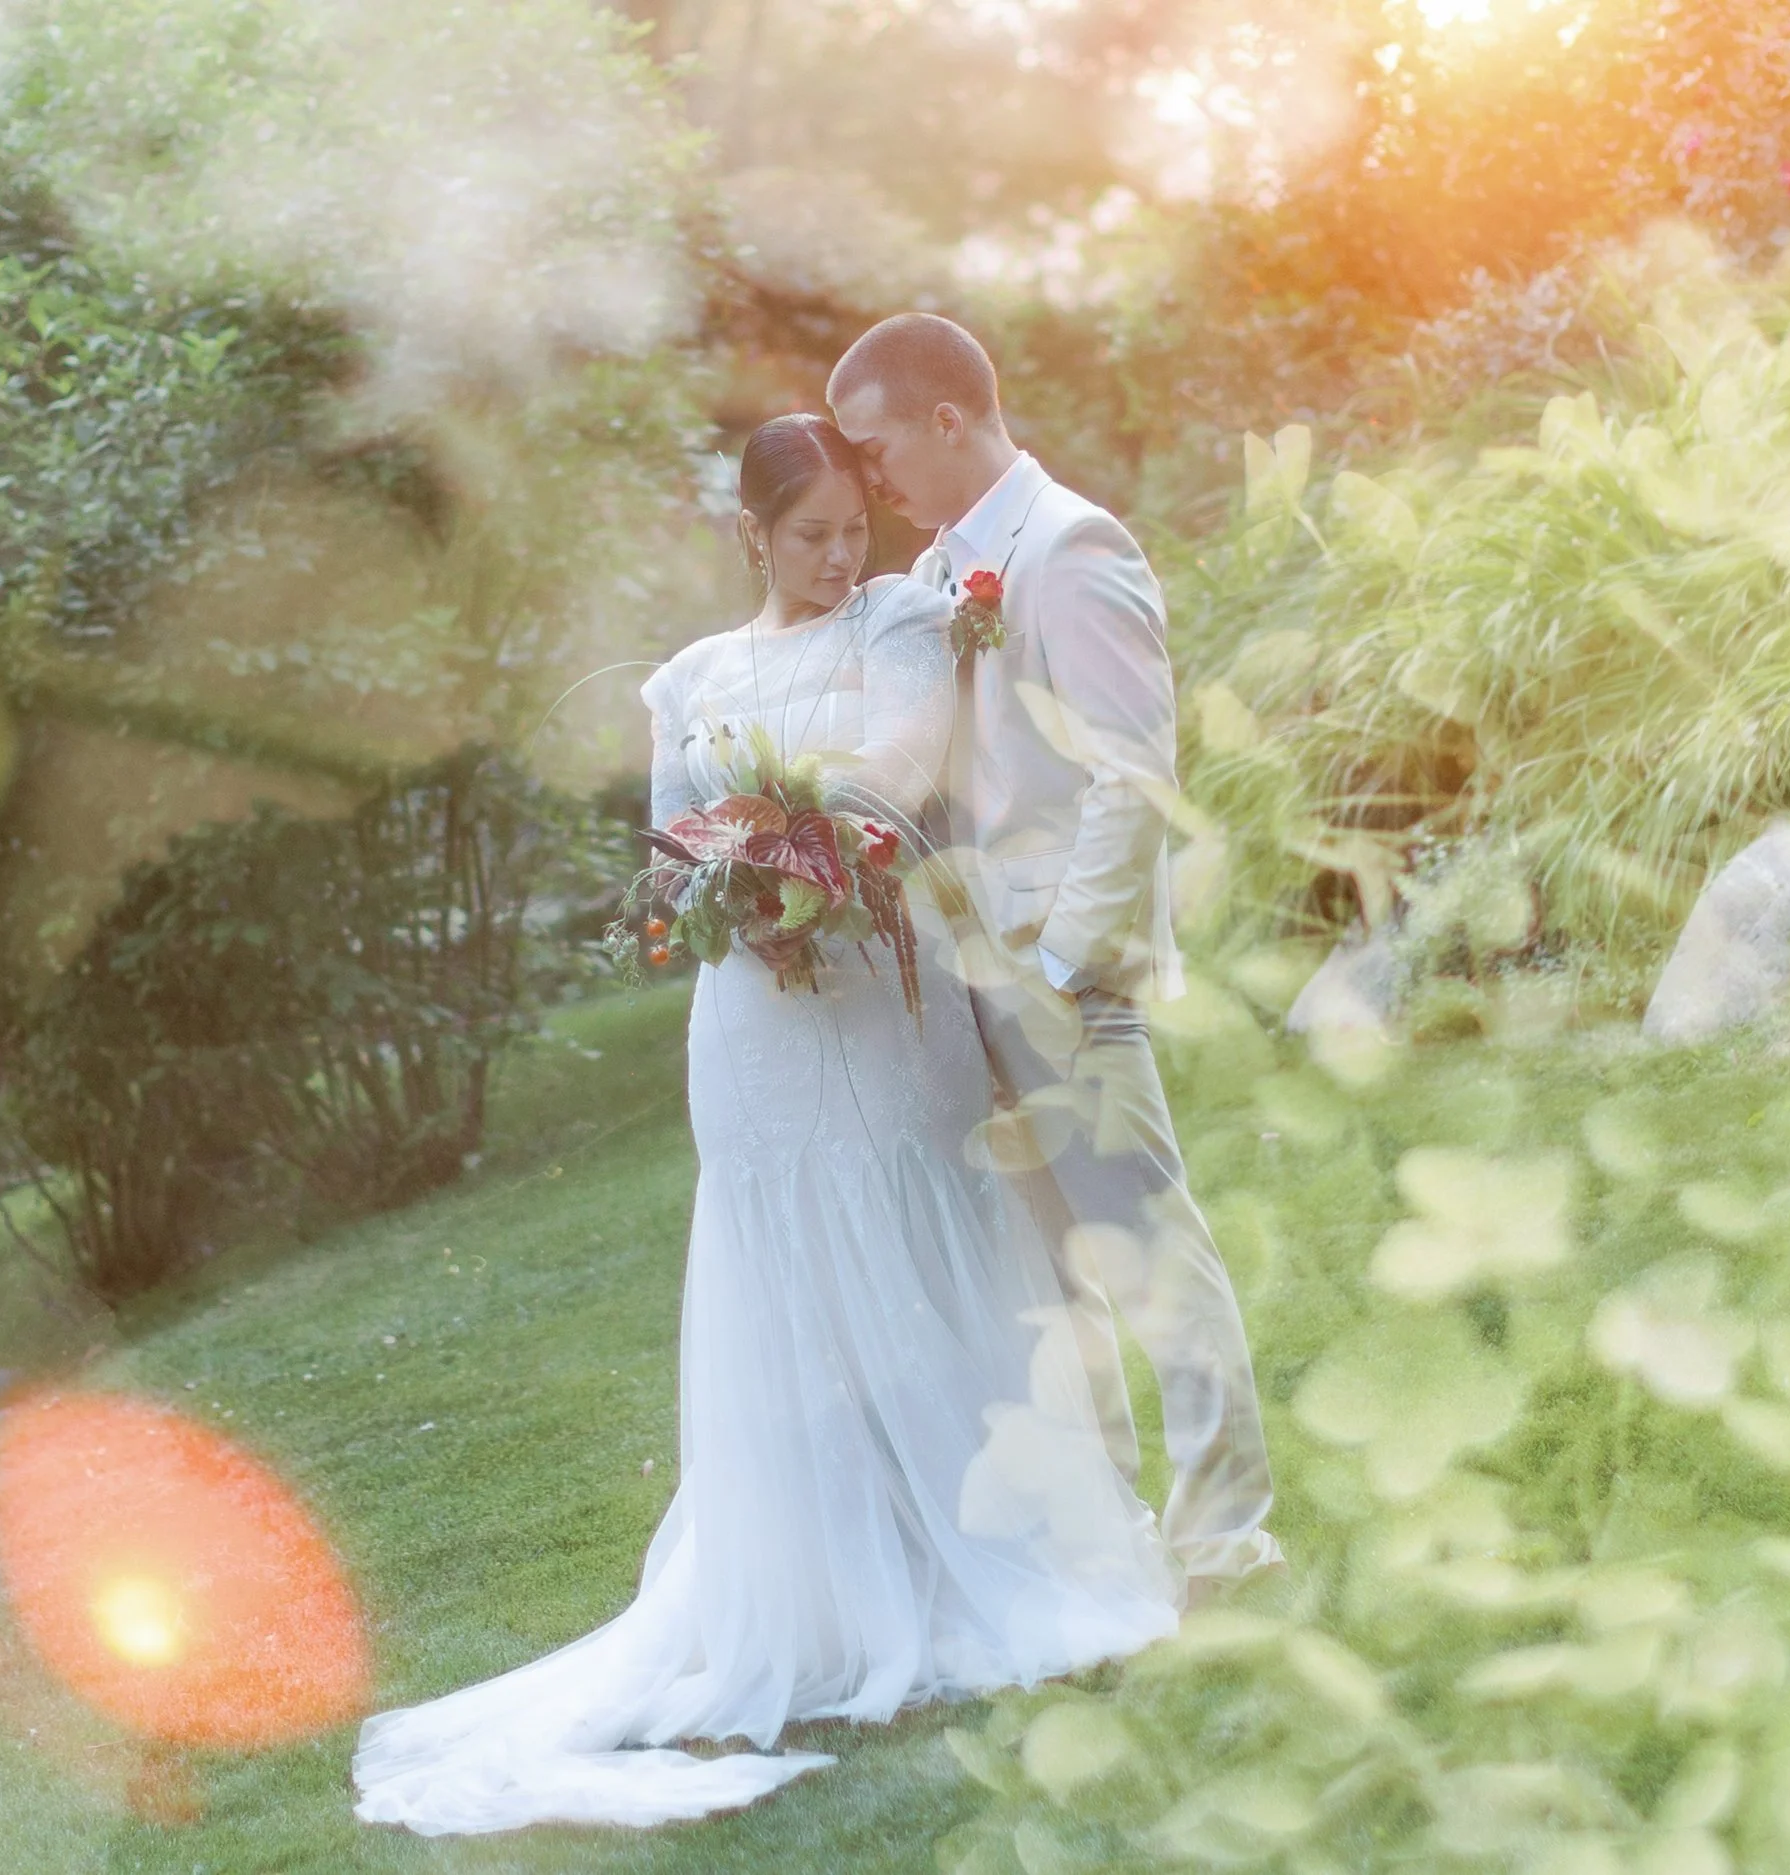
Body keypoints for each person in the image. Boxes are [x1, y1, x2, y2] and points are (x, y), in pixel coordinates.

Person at [350, 414, 1181, 1837]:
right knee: (788, 1269)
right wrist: (736, 885)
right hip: (753, 1022)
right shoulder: (689, 681)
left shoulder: (909, 621)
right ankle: (822, 1584)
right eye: (810, 537)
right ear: (752, 534)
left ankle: (971, 1546)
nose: (840, 555)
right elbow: (671, 847)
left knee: (931, 1232)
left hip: (885, 1001)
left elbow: (898, 772)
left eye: (853, 528)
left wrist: (811, 846)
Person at [829, 315, 1283, 1600]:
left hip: (1056, 972)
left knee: (1148, 1253)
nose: (870, 480)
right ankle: (1115, 1534)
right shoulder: (936, 573)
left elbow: (1132, 771)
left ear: (945, 419)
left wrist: (1071, 960)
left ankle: (1225, 1542)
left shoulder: (1072, 546)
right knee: (1045, 1282)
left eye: (876, 449)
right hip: (961, 983)